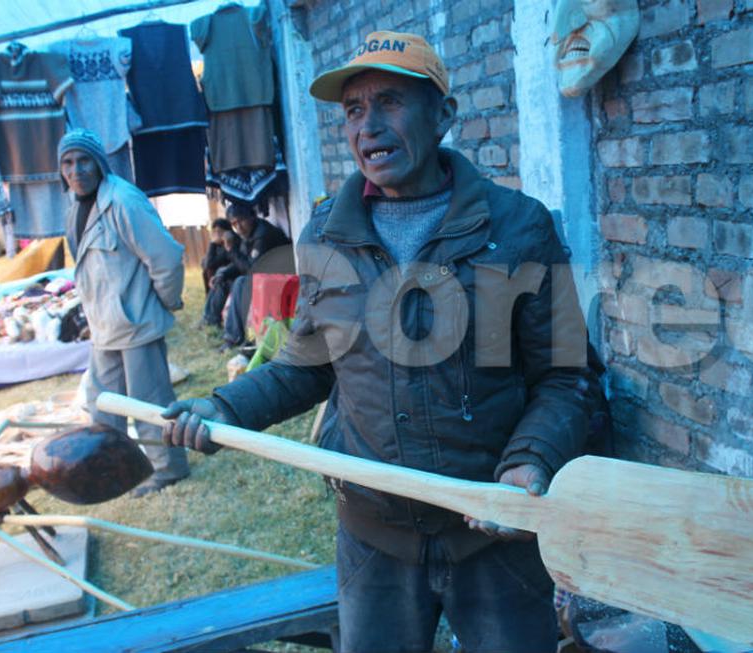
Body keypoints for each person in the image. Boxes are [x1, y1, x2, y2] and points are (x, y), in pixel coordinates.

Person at [163, 31, 601, 652]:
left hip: (494, 535)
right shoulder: (326, 234)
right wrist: (222, 408)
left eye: (391, 102)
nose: (369, 126)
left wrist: (528, 465)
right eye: (354, 110)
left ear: (443, 115)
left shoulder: (517, 227)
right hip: (375, 537)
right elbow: (308, 365)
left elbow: (567, 375)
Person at [59, 128, 189, 498]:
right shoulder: (74, 206)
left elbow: (165, 257)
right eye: (68, 163)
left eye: (84, 160)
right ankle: (112, 468)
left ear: (99, 162)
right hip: (104, 327)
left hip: (136, 324)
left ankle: (168, 470)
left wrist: (167, 301)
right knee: (102, 406)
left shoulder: (123, 201)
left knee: (150, 405)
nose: (76, 170)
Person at [217, 203, 292, 347]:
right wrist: (224, 273)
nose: (238, 227)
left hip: (284, 276)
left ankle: (233, 337)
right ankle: (219, 324)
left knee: (240, 283)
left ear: (252, 216)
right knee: (224, 278)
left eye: (241, 221)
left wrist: (232, 250)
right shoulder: (249, 233)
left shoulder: (262, 234)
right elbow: (244, 261)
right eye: (234, 224)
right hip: (266, 276)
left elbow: (251, 269)